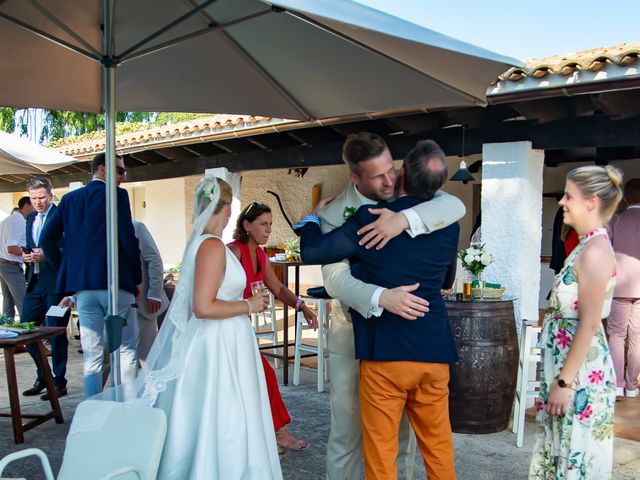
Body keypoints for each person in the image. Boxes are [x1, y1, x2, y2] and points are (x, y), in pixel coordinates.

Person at [295, 140, 459, 480]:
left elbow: (453, 204)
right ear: (355, 178)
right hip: (358, 336)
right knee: (348, 435)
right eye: (378, 176)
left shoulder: (416, 211)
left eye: (392, 171)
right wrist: (381, 297)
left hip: (387, 350)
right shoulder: (335, 213)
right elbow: (335, 279)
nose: (388, 181)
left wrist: (404, 219)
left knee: (397, 443)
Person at [111, 176, 282, 479]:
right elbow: (202, 307)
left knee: (219, 414)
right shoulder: (213, 246)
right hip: (219, 343)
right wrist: (249, 305)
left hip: (223, 339)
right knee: (224, 414)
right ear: (228, 208)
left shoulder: (202, 243)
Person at [529, 165, 622, 480]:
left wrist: (565, 383)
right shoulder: (583, 246)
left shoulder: (595, 251)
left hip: (579, 378)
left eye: (569, 196)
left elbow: (590, 323)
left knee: (575, 464)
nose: (562, 202)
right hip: (566, 371)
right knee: (559, 460)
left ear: (591, 202)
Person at [43, 152, 142, 397]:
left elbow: (47, 239)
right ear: (102, 169)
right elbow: (127, 239)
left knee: (92, 353)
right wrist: (137, 277)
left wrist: (66, 269)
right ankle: (126, 406)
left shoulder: (70, 199)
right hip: (116, 282)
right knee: (126, 348)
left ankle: (93, 409)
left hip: (84, 287)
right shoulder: (117, 195)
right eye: (119, 171)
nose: (123, 177)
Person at [228, 202, 316, 452]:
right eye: (263, 224)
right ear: (246, 226)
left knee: (258, 378)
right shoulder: (233, 252)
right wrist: (246, 303)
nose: (268, 230)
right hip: (227, 326)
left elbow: (277, 288)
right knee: (263, 375)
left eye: (270, 224)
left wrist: (302, 306)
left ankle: (269, 433)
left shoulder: (260, 255)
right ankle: (278, 433)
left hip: (242, 327)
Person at [21, 178, 70, 400]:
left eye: (41, 197)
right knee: (24, 330)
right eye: (34, 198)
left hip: (57, 285)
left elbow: (69, 248)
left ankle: (59, 383)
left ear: (50, 195)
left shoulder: (63, 215)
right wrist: (26, 255)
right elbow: (30, 244)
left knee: (55, 332)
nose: (38, 202)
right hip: (35, 282)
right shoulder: (30, 217)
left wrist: (47, 255)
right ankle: (44, 376)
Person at [606, 177, 640, 398]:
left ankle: (616, 384)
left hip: (619, 288)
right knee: (638, 336)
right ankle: (632, 386)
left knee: (616, 335)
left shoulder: (615, 220)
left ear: (625, 197)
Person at [133, 220, 170, 364]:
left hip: (143, 303)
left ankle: (149, 386)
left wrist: (154, 293)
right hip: (118, 303)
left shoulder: (136, 227)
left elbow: (154, 258)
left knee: (145, 355)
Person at [0, 196, 33, 319]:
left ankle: (6, 330)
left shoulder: (7, 220)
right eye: (33, 204)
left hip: (3, 263)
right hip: (11, 265)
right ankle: (29, 333)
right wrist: (27, 255)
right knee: (23, 301)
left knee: (8, 302)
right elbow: (11, 247)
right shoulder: (19, 221)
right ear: (26, 205)